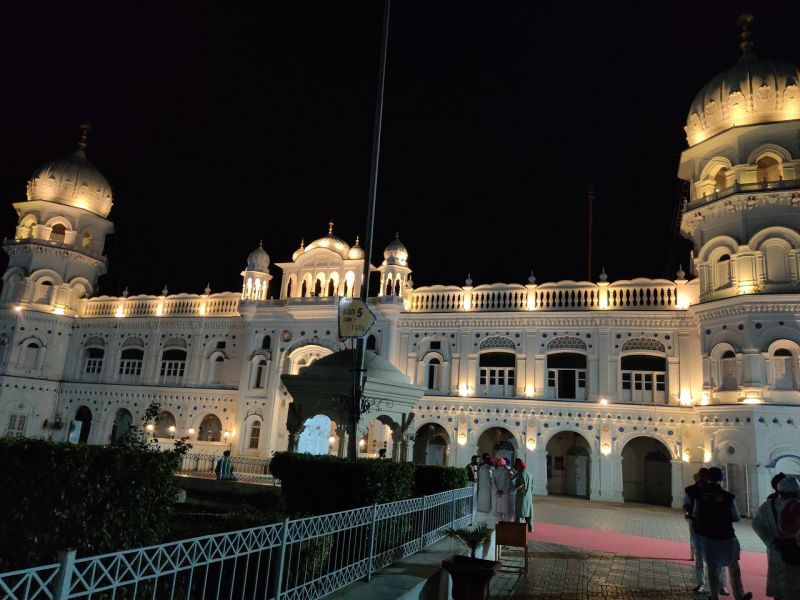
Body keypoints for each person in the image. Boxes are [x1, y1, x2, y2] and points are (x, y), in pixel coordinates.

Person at [692, 467, 752, 600]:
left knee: (712, 570)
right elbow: (736, 517)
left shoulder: (700, 496)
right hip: (727, 536)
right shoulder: (728, 496)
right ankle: (739, 596)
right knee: (734, 570)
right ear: (721, 479)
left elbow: (696, 514)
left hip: (709, 538)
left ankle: (713, 596)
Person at [753, 475, 800, 600]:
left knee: (778, 587)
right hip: (795, 553)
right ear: (796, 492)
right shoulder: (797, 507)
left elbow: (756, 524)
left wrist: (771, 541)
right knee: (795, 587)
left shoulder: (767, 505)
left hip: (775, 551)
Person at [513, 458, 533, 532]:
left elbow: (512, 481)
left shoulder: (520, 474)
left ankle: (518, 528)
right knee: (529, 513)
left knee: (519, 512)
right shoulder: (530, 474)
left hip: (521, 496)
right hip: (529, 496)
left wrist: (517, 487)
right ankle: (530, 528)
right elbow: (532, 486)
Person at [493, 457, 513, 522]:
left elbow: (492, 483)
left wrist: (497, 490)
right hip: (505, 494)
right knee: (506, 512)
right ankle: (506, 526)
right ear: (504, 464)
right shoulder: (507, 472)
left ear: (497, 464)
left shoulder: (494, 471)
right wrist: (503, 491)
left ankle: (500, 524)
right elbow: (508, 483)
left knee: (498, 512)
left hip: (497, 494)